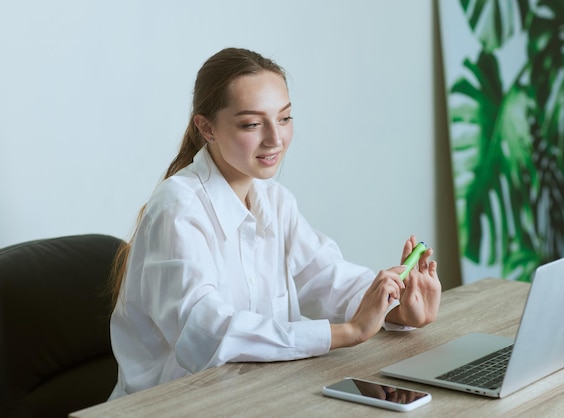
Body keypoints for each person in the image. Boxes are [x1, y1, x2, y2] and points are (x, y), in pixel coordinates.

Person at [107, 47, 441, 399]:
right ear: (207, 128)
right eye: (253, 124)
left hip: (257, 397)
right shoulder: (178, 208)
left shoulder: (274, 199)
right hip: (174, 405)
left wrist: (397, 305)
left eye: (284, 118)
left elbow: (325, 276)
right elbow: (206, 335)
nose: (275, 139)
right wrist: (347, 332)